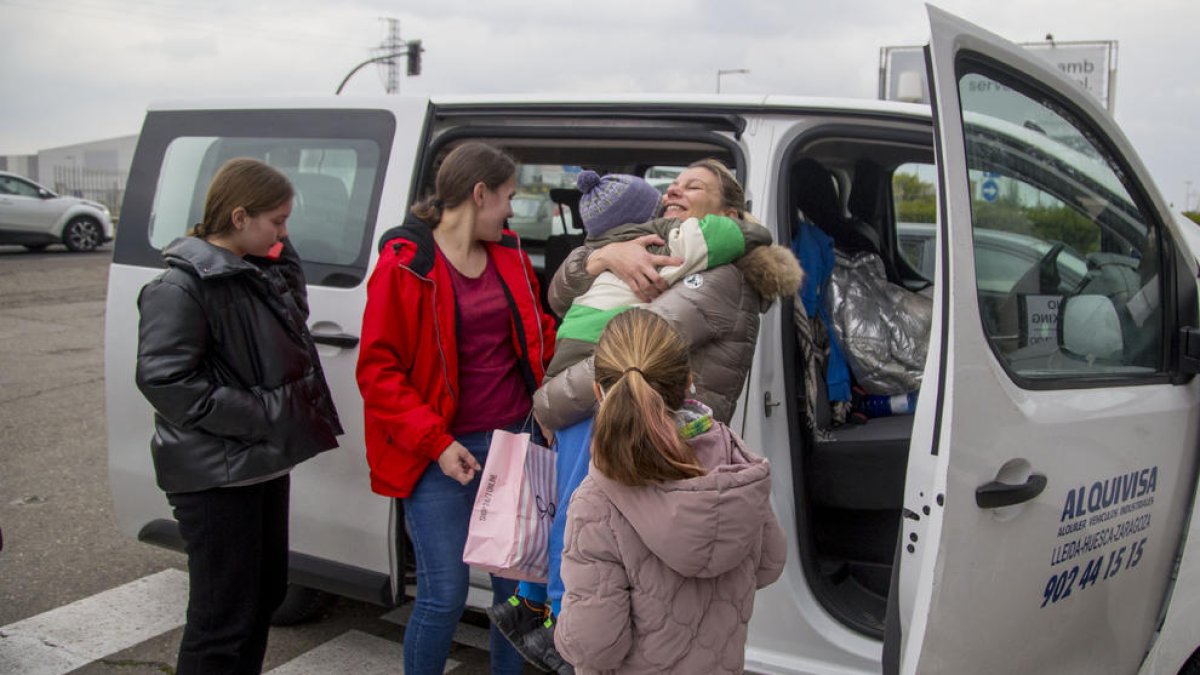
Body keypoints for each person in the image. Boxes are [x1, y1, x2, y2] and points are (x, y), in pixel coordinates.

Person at [490, 159, 802, 673]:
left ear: (728, 214)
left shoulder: (717, 274)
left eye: (693, 185)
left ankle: (559, 624)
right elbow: (561, 294)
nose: (674, 190)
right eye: (672, 183)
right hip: (647, 440)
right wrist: (604, 255)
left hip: (657, 445)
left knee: (625, 585)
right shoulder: (658, 246)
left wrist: (548, 402)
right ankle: (552, 614)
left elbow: (627, 352)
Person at [356, 141, 557, 675]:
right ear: (479, 193)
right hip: (439, 451)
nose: (511, 210)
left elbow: (540, 336)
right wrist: (437, 444)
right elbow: (379, 373)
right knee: (443, 595)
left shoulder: (510, 256)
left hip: (512, 443)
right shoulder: (407, 266)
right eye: (508, 197)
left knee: (518, 596)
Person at [135, 157, 343, 675]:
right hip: (215, 475)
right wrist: (261, 415)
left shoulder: (256, 273)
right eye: (277, 221)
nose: (284, 232)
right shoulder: (179, 287)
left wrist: (280, 251)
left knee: (262, 597)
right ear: (239, 216)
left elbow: (294, 313)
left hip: (260, 464)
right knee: (220, 620)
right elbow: (166, 381)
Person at [554, 308, 787, 674]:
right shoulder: (733, 460)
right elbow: (769, 563)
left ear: (599, 392)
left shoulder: (596, 501)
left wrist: (563, 633)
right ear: (689, 380)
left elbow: (594, 646)